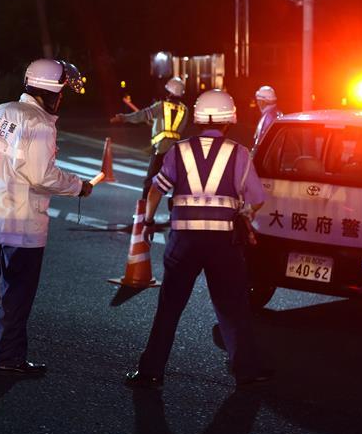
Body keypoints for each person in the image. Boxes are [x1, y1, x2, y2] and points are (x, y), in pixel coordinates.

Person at [124, 89, 274, 389]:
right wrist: (243, 211)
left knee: (169, 307)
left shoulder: (179, 150)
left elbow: (156, 189)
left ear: (197, 117)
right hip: (224, 244)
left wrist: (149, 220)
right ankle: (246, 371)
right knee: (232, 306)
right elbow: (257, 198)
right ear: (229, 119)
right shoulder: (239, 153)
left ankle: (151, 370)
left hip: (184, 242)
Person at [0, 58, 94, 376]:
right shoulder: (38, 123)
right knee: (17, 292)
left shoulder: (2, 111)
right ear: (52, 92)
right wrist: (79, 186)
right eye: (63, 91)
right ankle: (8, 357)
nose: (63, 98)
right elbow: (42, 176)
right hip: (21, 221)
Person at [110, 77, 189, 198]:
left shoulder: (161, 106)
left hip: (160, 150)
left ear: (170, 92)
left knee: (150, 181)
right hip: (174, 151)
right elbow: (173, 129)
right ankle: (174, 209)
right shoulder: (185, 110)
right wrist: (156, 123)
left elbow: (141, 115)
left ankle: (143, 212)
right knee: (175, 182)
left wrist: (123, 118)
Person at [253, 85, 282, 151]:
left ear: (263, 101)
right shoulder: (275, 113)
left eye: (259, 100)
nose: (257, 103)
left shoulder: (268, 117)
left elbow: (264, 142)